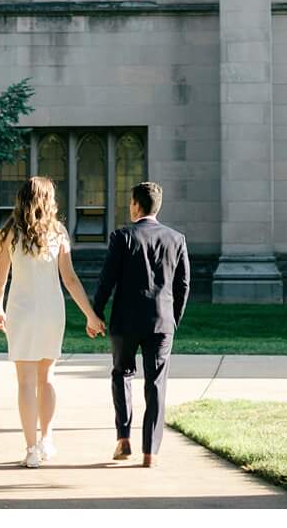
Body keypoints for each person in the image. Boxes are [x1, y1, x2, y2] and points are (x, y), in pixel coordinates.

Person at [0, 175, 105, 468]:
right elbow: (69, 279)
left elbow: (0, 279)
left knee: (25, 382)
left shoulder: (8, 234)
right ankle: (47, 438)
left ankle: (31, 449)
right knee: (47, 377)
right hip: (52, 313)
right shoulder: (59, 234)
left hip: (20, 312)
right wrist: (91, 316)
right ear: (48, 200)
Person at [91, 180, 192, 467]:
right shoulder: (177, 239)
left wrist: (96, 312)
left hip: (125, 320)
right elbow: (183, 286)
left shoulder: (122, 237)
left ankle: (123, 438)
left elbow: (106, 280)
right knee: (156, 383)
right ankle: (151, 452)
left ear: (136, 205)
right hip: (162, 321)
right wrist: (173, 319)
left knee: (122, 374)